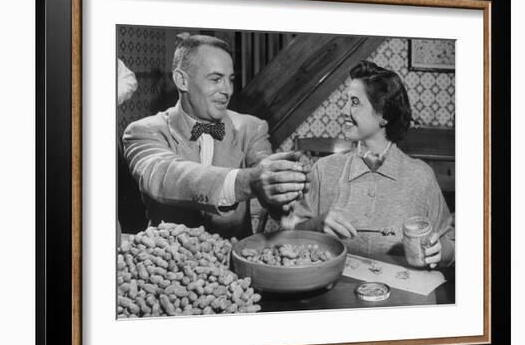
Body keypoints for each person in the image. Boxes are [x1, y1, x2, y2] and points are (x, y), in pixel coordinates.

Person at [123, 33, 309, 238]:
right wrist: (246, 182)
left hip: (234, 258)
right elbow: (165, 175)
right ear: (182, 80)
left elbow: (270, 190)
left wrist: (289, 201)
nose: (227, 90)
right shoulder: (143, 131)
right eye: (216, 79)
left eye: (230, 80)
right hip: (168, 262)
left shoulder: (251, 127)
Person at [286, 60, 455, 268]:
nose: (344, 111)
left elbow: (452, 244)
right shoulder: (323, 170)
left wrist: (441, 250)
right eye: (346, 101)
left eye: (354, 102)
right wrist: (316, 224)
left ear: (383, 115)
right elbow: (289, 236)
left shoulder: (421, 176)